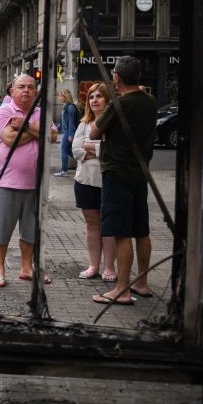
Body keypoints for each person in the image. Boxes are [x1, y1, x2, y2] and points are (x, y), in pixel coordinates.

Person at [90, 56, 158, 305]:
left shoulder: (118, 104)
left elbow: (95, 132)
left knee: (121, 232)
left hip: (117, 173)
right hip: (140, 173)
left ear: (117, 77)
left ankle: (122, 289)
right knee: (142, 230)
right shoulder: (150, 101)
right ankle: (141, 283)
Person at [0, 74, 58, 288]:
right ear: (12, 91)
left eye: (30, 87)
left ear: (36, 91)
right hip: (6, 181)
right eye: (21, 87)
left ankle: (27, 268)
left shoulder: (40, 112)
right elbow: (10, 138)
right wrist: (39, 131)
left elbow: (54, 136)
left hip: (35, 183)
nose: (26, 90)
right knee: (1, 229)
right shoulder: (4, 111)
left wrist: (25, 125)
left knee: (30, 230)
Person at [72, 82, 117, 282]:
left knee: (108, 224)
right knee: (92, 224)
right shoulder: (84, 123)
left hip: (108, 181)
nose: (95, 100)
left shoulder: (112, 123)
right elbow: (75, 150)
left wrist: (91, 148)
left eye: (99, 96)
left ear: (107, 100)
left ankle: (109, 268)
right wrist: (98, 149)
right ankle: (93, 266)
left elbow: (112, 151)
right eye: (91, 97)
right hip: (84, 181)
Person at [55, 89, 81, 176]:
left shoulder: (70, 107)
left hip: (68, 133)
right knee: (69, 151)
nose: (59, 97)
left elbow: (71, 122)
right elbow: (63, 122)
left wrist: (70, 135)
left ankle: (64, 171)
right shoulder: (65, 106)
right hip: (66, 132)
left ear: (65, 96)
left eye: (60, 95)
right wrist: (56, 129)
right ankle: (82, 160)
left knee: (63, 151)